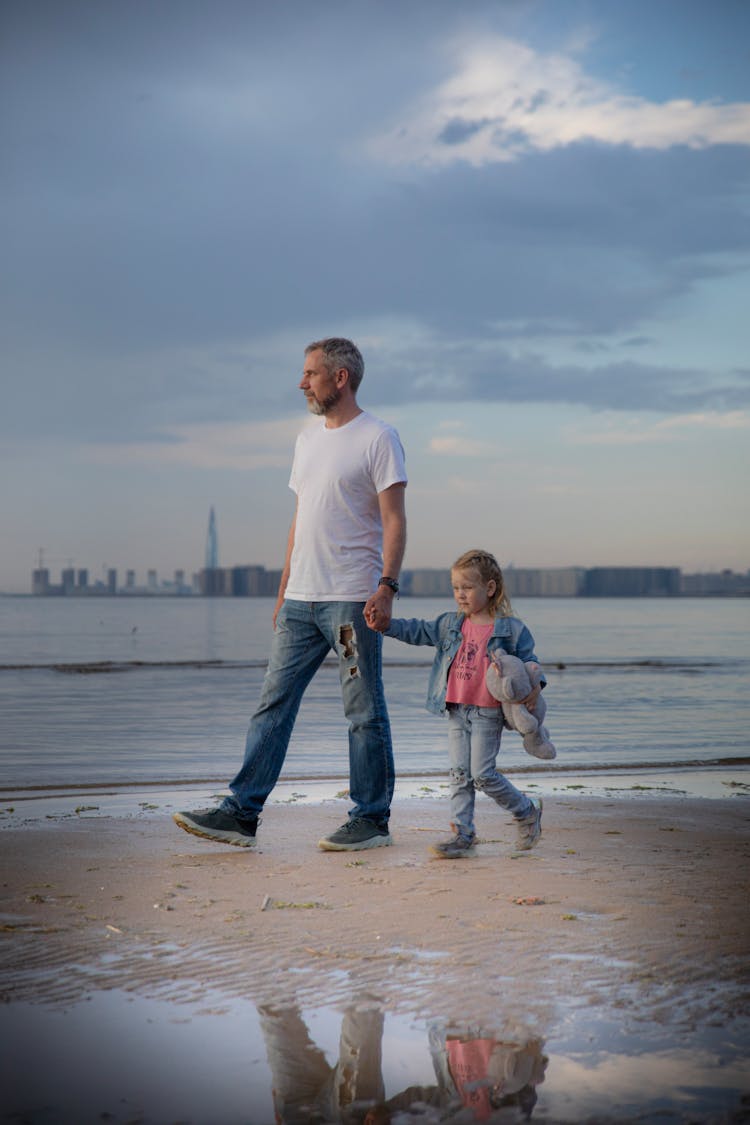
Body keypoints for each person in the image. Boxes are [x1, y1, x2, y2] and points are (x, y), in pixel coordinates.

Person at [174, 337, 407, 852]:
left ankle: (371, 819)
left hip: (351, 602)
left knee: (362, 710)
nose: (302, 382)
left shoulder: (379, 437)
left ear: (339, 378)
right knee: (271, 706)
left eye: (310, 373)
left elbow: (394, 520)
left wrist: (387, 587)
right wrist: (283, 592)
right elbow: (300, 521)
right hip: (300, 603)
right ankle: (241, 813)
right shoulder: (306, 440)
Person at [369, 549, 544, 858]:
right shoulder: (451, 624)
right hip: (454, 708)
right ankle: (463, 833)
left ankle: (526, 812)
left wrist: (536, 687)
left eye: (467, 587)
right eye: (456, 588)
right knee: (459, 774)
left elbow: (530, 663)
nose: (460, 595)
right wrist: (386, 625)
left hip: (487, 713)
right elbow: (417, 630)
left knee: (483, 774)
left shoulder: (511, 629)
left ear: (489, 589)